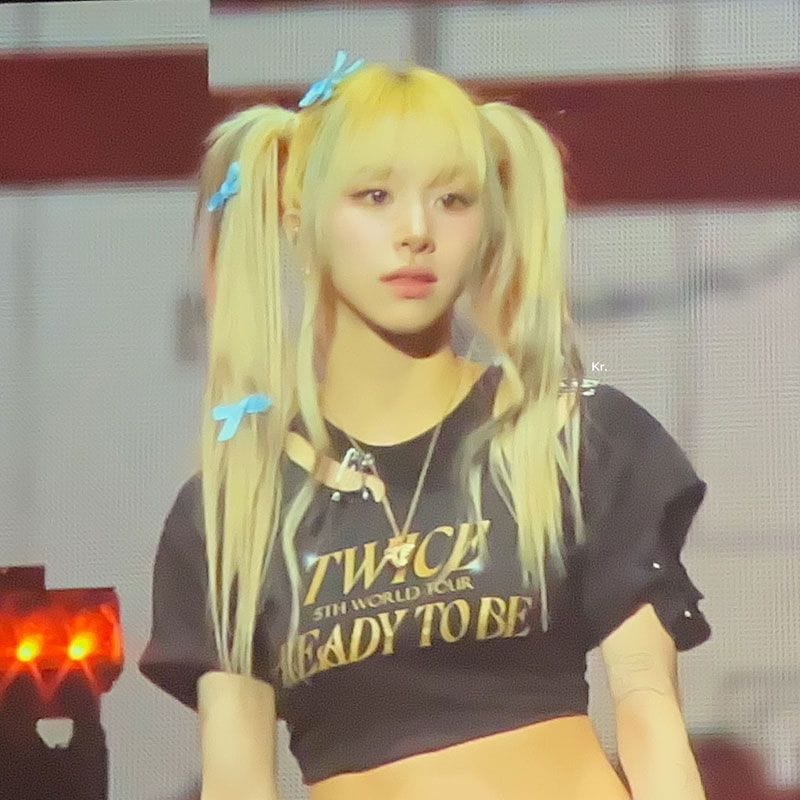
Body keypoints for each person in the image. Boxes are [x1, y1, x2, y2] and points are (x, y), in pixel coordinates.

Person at [139, 50, 713, 800]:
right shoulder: (233, 511)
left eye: (452, 200)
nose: (416, 231)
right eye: (374, 196)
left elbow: (649, 711)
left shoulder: (574, 438)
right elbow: (237, 781)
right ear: (298, 218)